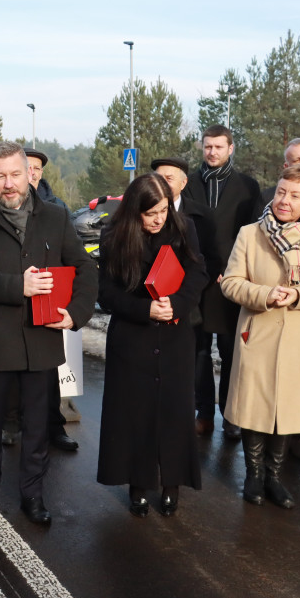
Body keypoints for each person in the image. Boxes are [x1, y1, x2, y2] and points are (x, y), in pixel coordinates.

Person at [0, 141, 98, 525]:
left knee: (37, 429)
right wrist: (16, 286)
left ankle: (33, 497)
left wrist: (76, 314)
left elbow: (85, 269)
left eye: (15, 174)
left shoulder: (55, 217)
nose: (8, 183)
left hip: (42, 341)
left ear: (29, 173)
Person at [220, 165, 300, 509]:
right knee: (254, 409)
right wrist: (263, 294)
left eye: (294, 195)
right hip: (257, 334)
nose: (284, 200)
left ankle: (274, 478)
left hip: (299, 340)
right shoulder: (250, 234)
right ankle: (253, 475)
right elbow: (231, 282)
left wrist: (299, 295)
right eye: (280, 192)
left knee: (285, 412)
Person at [96, 174, 207, 517]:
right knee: (135, 414)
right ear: (134, 212)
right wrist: (145, 309)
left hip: (175, 336)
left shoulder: (183, 227)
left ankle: (172, 484)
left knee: (174, 413)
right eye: (150, 213)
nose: (159, 218)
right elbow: (107, 293)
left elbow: (198, 273)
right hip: (133, 338)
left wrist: (179, 303)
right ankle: (138, 485)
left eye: (162, 210)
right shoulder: (114, 236)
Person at [181, 125, 262, 439]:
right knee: (198, 351)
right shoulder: (190, 186)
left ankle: (231, 415)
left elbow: (253, 233)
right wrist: (199, 267)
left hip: (232, 280)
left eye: (218, 146)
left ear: (231, 148)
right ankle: (203, 413)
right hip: (197, 279)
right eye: (207, 146)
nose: (211, 152)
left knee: (231, 351)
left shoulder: (247, 186)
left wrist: (236, 270)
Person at [1, 147, 78, 453]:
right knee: (10, 374)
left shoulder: (56, 207)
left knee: (47, 376)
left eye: (36, 168)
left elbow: (71, 257)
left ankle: (54, 427)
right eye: (25, 168)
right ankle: (10, 423)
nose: (31, 173)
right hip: (11, 303)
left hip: (48, 303)